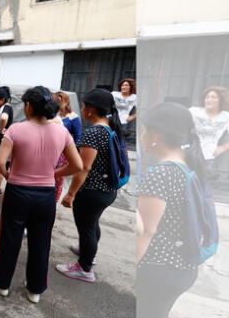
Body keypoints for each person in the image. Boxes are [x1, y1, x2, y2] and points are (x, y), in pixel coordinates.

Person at [0, 86, 83, 303]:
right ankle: (35, 290)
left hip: (18, 193)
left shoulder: (15, 130)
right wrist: (54, 173)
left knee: (10, 239)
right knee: (41, 242)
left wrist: (10, 176)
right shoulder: (62, 132)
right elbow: (77, 165)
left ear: (29, 106)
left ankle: (2, 284)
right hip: (46, 196)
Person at [137, 102, 208, 317]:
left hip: (158, 267)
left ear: (156, 135)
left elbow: (146, 230)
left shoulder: (161, 173)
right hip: (182, 265)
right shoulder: (190, 166)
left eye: (143, 130)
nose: (141, 136)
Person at [55, 88, 122, 282]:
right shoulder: (110, 128)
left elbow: (83, 168)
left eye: (83, 106)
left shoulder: (94, 132)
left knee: (87, 229)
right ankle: (87, 252)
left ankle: (84, 269)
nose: (82, 109)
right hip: (107, 189)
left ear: (91, 109)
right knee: (92, 225)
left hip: (92, 191)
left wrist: (70, 194)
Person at [188, 86, 229, 166]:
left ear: (221, 100)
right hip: (187, 154)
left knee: (200, 178)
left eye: (214, 97)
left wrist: (222, 148)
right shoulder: (193, 111)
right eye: (207, 97)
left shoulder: (226, 117)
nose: (209, 100)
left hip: (207, 158)